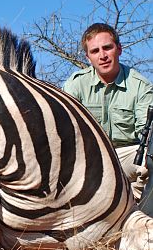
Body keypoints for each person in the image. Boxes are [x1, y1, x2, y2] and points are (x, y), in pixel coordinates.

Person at [63, 23, 153, 201]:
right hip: (88, 158)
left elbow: (147, 136)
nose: (102, 56)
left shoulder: (140, 86)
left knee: (150, 159)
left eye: (107, 48)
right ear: (88, 57)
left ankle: (142, 212)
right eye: (95, 51)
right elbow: (65, 130)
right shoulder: (75, 84)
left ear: (119, 49)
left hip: (126, 156)